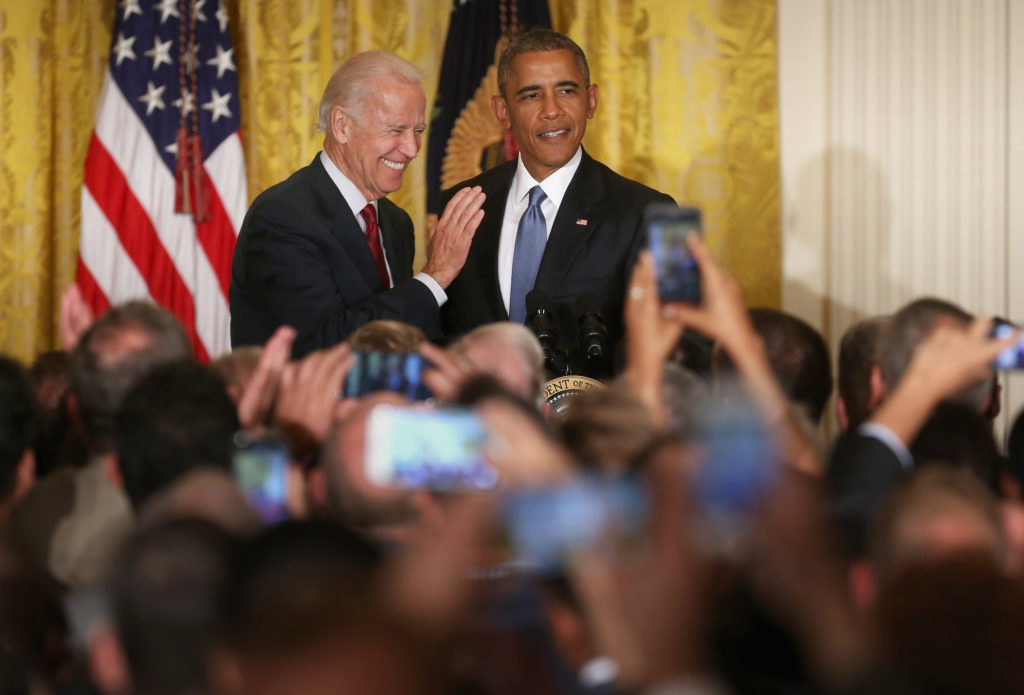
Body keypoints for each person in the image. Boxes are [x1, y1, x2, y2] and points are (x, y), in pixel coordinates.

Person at [230, 50, 486, 358]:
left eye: (418, 131)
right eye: (395, 130)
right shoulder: (282, 216)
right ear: (341, 126)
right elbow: (324, 346)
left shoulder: (394, 222)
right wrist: (435, 276)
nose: (412, 149)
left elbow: (408, 337)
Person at [439, 30, 675, 359]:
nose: (553, 110)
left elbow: (685, 344)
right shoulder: (460, 205)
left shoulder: (656, 213)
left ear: (591, 100)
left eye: (566, 90)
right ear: (502, 111)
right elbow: (442, 335)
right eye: (531, 95)